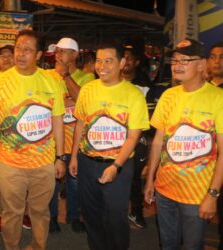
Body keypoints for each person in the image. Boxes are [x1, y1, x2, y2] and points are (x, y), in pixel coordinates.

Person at [0, 29, 65, 250]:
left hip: (43, 163)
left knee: (40, 211)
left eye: (28, 50)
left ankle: (38, 245)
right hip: (9, 164)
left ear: (38, 55)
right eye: (18, 48)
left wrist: (60, 157)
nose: (21, 54)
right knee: (12, 213)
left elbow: (57, 122)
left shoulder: (51, 80)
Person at [69, 41, 149, 250]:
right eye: (98, 61)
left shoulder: (133, 94)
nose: (101, 66)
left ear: (122, 63)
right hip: (87, 162)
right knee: (91, 215)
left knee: (115, 218)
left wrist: (116, 166)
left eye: (108, 61)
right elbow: (80, 123)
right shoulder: (87, 89)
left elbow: (133, 137)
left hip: (118, 166)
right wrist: (75, 156)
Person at [144, 38, 223, 250]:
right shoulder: (168, 96)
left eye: (184, 60)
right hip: (165, 188)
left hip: (196, 194)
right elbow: (159, 140)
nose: (177, 64)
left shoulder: (218, 98)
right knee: (167, 244)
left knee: (192, 245)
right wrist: (150, 179)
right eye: (175, 60)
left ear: (201, 64)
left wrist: (213, 194)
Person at [47, 37, 95, 233]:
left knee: (75, 182)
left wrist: (66, 76)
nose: (57, 54)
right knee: (52, 183)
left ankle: (74, 216)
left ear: (75, 54)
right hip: (53, 141)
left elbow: (82, 101)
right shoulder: (47, 76)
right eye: (56, 51)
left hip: (76, 143)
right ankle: (51, 217)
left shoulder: (88, 78)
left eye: (63, 51)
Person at [0, 44, 32, 233]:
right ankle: (0, 213)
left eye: (9, 55)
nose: (5, 59)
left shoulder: (26, 79)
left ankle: (25, 212)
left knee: (26, 177)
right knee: (0, 179)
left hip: (23, 138)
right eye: (1, 56)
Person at [122, 45, 151, 229]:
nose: (126, 62)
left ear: (137, 62)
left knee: (134, 177)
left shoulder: (145, 84)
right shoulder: (108, 81)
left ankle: (137, 212)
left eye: (129, 58)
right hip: (113, 138)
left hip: (138, 137)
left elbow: (150, 116)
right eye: (123, 58)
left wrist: (147, 141)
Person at [207, 41, 223, 250]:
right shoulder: (199, 88)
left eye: (222, 57)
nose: (217, 61)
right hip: (199, 163)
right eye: (213, 56)